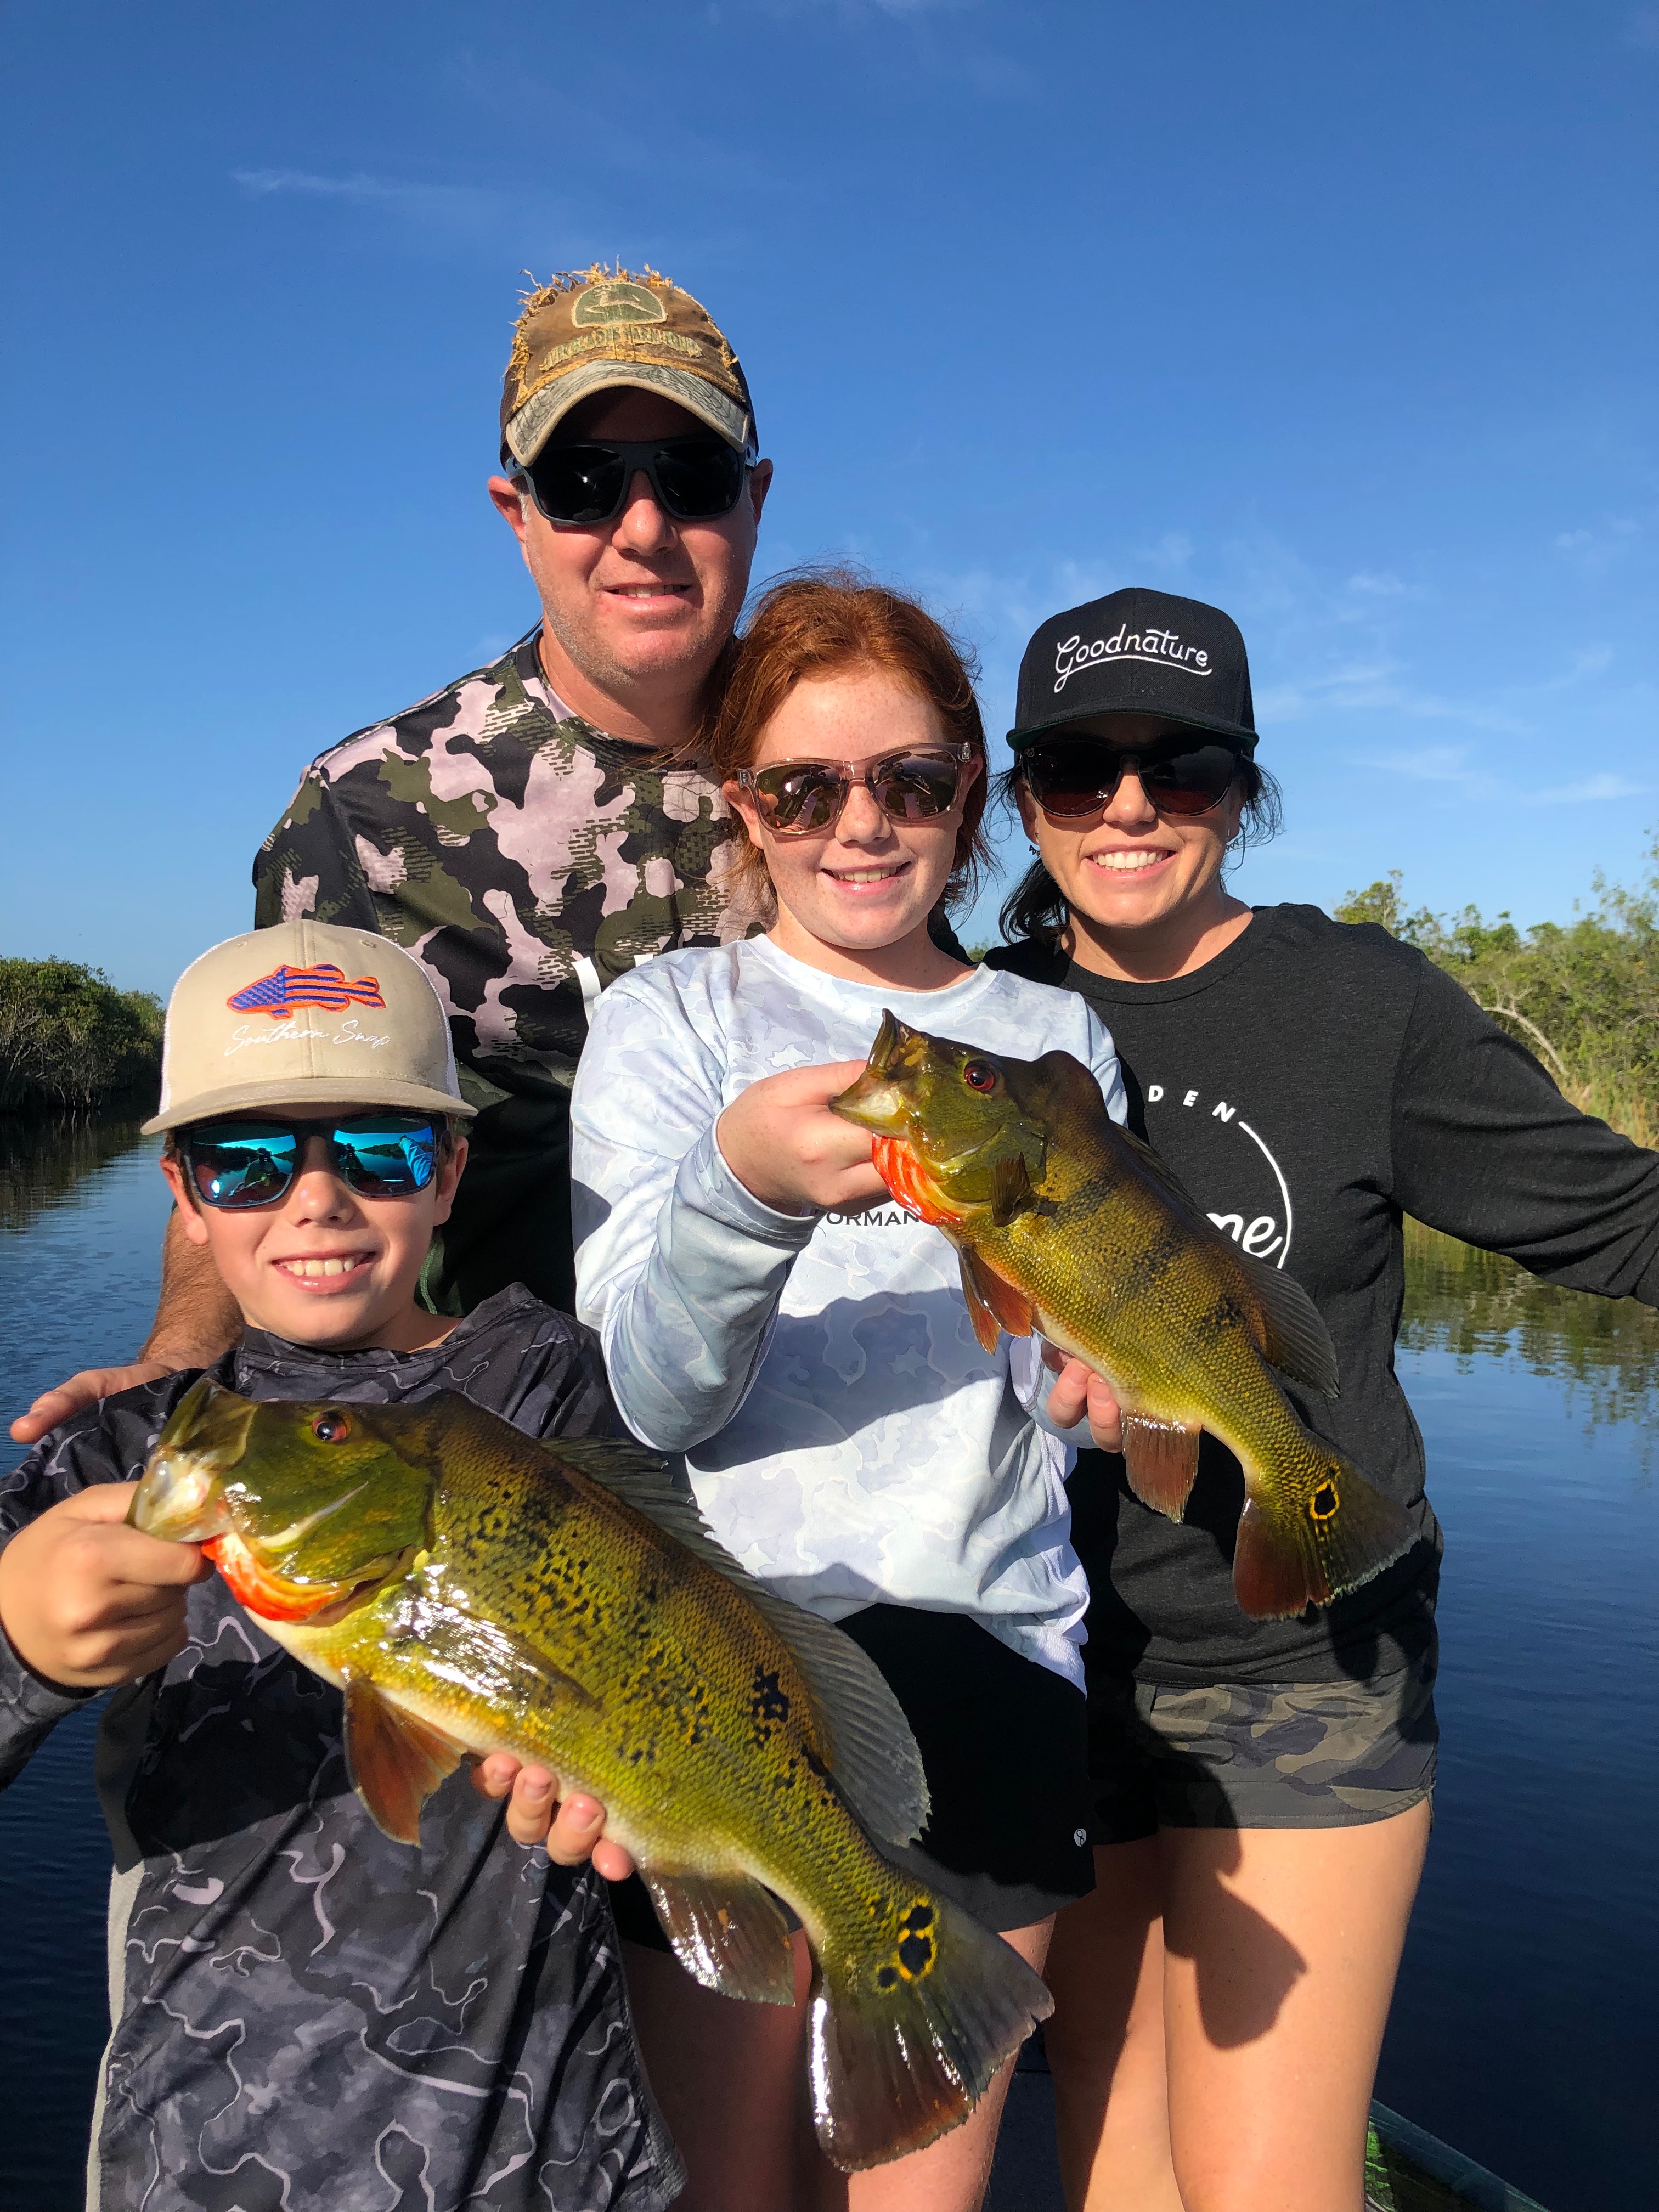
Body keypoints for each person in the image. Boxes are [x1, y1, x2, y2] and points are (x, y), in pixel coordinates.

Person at [981, 585, 1659, 2212]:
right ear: (1021, 796)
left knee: (1269, 2177)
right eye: (1079, 768)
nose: (1129, 806)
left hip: (1302, 1653)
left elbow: (1621, 1216)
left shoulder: (1366, 1007)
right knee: (1106, 2143)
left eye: (1184, 767)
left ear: (1245, 787)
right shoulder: (974, 1030)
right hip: (1038, 1659)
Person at [566, 574, 1127, 2212]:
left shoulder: (1049, 1042)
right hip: (718, 1676)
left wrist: (1118, 1386)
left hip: (994, 1663)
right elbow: (657, 1403)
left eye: (913, 781)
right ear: (742, 805)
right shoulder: (673, 1022)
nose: (861, 827)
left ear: (971, 793)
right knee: (731, 2190)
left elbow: (1051, 1354)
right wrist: (744, 1187)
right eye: (803, 789)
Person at [12, 261, 775, 1446]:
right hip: (512, 1457)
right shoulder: (371, 809)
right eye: (582, 483)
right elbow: (258, 1118)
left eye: (693, 478)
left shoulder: (852, 771)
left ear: (755, 499)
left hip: (828, 1431)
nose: (642, 527)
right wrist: (173, 1369)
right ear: (516, 515)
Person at [0, 919, 676, 2212]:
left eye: (377, 1146)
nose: (318, 1198)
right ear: (186, 1197)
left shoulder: (547, 1389)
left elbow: (668, 1670)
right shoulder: (136, 1449)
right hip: (205, 2153)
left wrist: (625, 1806)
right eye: (247, 1159)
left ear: (450, 1171)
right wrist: (21, 1639)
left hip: (547, 2156)